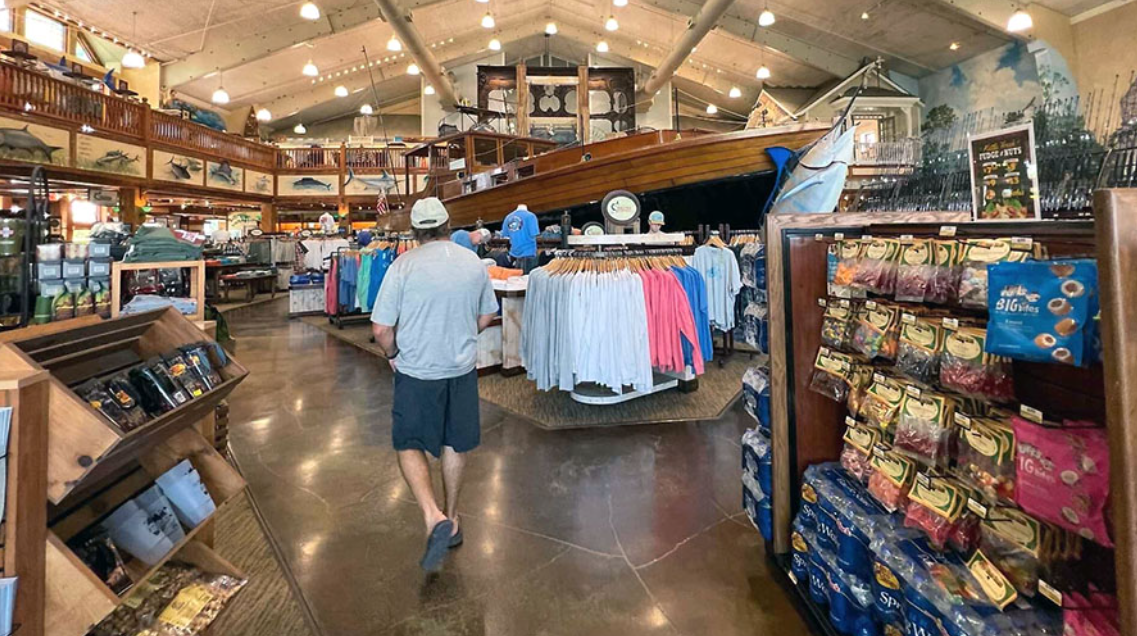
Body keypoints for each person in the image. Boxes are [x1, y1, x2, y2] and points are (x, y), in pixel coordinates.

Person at [371, 197, 499, 573]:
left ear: (415, 231)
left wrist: (392, 353)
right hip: (460, 368)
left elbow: (381, 328)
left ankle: (432, 515)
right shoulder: (472, 262)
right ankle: (453, 517)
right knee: (455, 441)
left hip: (416, 369)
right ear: (447, 225)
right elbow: (487, 315)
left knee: (409, 442)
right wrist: (463, 333)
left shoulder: (403, 265)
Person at [501, 204, 539, 273]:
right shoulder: (531, 216)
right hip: (529, 252)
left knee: (516, 277)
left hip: (513, 253)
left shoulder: (508, 217)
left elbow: (505, 235)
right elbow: (534, 234)